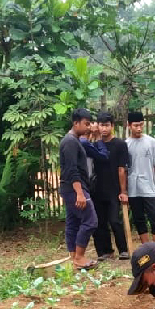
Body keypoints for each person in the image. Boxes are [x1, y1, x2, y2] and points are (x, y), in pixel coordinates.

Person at [59, 108, 99, 270]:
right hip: (74, 188)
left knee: (74, 221)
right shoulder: (69, 142)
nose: (89, 127)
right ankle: (79, 257)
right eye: (86, 124)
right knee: (91, 220)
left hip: (71, 189)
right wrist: (80, 193)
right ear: (76, 123)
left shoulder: (74, 140)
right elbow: (71, 170)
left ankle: (74, 257)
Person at [92, 111, 131, 260]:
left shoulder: (120, 144)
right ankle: (106, 251)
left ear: (112, 126)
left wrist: (123, 191)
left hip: (114, 189)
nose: (104, 129)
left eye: (107, 125)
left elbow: (122, 169)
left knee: (114, 220)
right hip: (97, 189)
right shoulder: (95, 145)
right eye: (101, 125)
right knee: (100, 222)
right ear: (98, 126)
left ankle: (123, 250)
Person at [126, 110, 155, 243]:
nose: (139, 128)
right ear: (129, 125)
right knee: (138, 218)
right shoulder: (126, 145)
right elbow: (123, 170)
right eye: (136, 125)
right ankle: (146, 247)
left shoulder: (151, 142)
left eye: (141, 125)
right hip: (133, 188)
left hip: (149, 187)